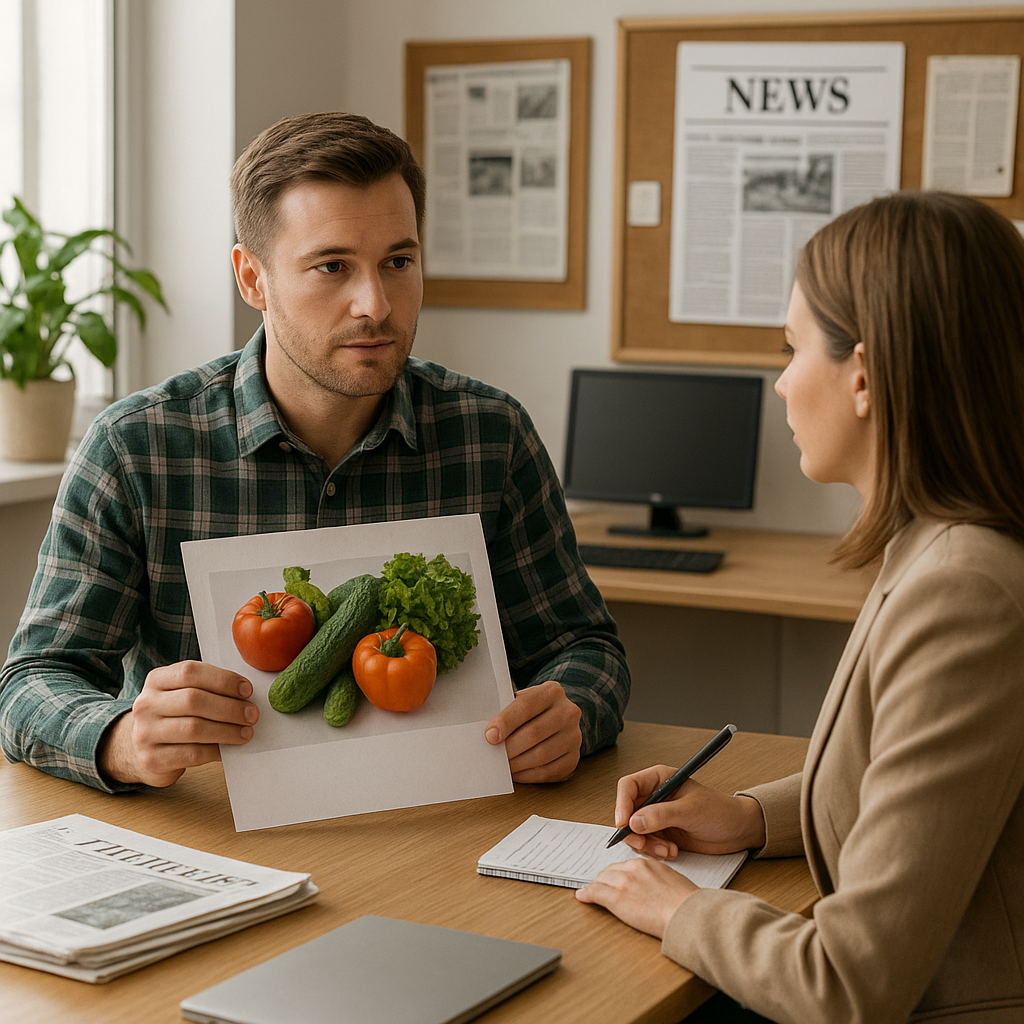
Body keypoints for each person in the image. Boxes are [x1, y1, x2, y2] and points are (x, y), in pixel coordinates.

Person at [0, 112, 629, 793]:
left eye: (399, 262)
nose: (375, 304)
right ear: (252, 279)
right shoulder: (136, 448)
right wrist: (120, 739)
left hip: (440, 829)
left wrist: (572, 711)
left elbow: (583, 647)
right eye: (333, 266)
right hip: (219, 842)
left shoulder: (492, 435)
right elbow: (33, 683)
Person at [576, 191, 1024, 1024]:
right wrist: (746, 816)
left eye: (791, 349)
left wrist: (679, 908)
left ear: (866, 375)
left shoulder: (966, 590)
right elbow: (909, 797)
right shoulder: (937, 546)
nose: (780, 383)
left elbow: (848, 983)